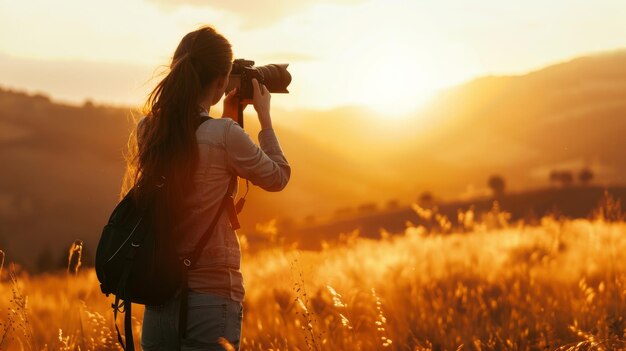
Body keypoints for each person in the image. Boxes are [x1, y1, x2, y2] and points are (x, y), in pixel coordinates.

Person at [120, 26, 291, 351]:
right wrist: (264, 119)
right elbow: (278, 176)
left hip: (159, 297)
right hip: (211, 298)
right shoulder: (224, 135)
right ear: (219, 83)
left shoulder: (148, 131)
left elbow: (194, 145)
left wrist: (226, 115)